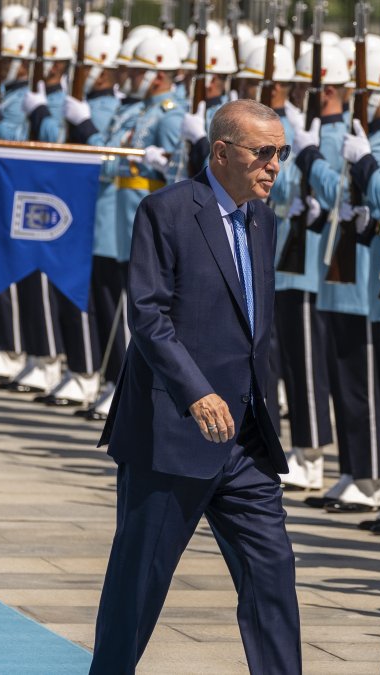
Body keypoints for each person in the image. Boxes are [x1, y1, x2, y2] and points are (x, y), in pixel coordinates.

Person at [89, 99, 301, 675]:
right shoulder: (167, 211)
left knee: (273, 578)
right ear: (222, 152)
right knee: (137, 587)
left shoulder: (264, 218)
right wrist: (196, 391)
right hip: (173, 433)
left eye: (281, 152)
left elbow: (256, 328)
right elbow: (150, 318)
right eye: (263, 152)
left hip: (246, 442)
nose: (274, 165)